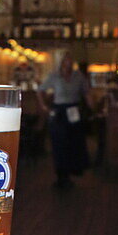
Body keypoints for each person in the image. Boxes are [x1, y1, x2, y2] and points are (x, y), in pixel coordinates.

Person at [38, 52, 91, 188]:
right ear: (62, 63)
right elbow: (41, 90)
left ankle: (70, 173)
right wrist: (45, 107)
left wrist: (93, 108)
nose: (68, 64)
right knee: (59, 143)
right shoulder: (54, 76)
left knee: (74, 142)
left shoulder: (78, 76)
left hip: (73, 110)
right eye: (66, 62)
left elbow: (87, 93)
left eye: (70, 62)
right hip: (59, 110)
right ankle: (60, 175)